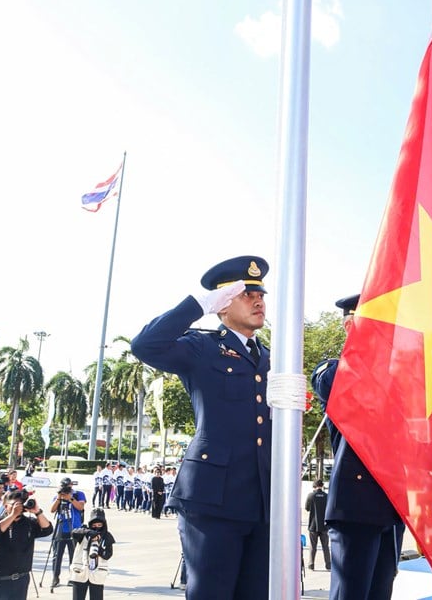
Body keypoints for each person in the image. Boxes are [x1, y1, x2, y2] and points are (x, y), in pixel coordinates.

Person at [131, 255, 272, 599]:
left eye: (261, 295)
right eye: (246, 294)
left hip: (263, 500)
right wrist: (200, 305)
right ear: (223, 305)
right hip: (213, 498)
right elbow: (144, 345)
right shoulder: (202, 347)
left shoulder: (271, 357)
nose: (258, 301)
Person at [311, 294, 404, 600]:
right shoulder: (332, 370)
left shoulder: (395, 375)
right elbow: (340, 385)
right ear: (351, 325)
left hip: (390, 506)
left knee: (380, 592)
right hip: (356, 503)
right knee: (351, 594)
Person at [0, 490, 53, 599]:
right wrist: (13, 515)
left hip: (21, 579)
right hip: (0, 580)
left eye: (20, 505)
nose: (17, 508)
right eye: (14, 505)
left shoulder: (29, 523)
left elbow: (48, 529)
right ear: (5, 505)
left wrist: (38, 512)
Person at [70, 508, 115, 600]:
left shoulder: (107, 536)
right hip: (80, 572)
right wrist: (89, 533)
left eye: (99, 525)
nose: (97, 527)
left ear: (104, 524)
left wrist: (98, 549)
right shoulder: (84, 532)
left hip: (97, 574)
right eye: (94, 525)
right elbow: (73, 533)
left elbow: (108, 555)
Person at [50, 477, 87, 588]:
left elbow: (80, 507)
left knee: (74, 555)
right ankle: (55, 577)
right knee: (57, 555)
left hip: (75, 529)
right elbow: (52, 510)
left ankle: (73, 577)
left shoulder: (78, 494)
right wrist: (58, 498)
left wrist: (70, 498)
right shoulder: (58, 495)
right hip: (61, 528)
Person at [304, 479, 330, 571]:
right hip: (324, 525)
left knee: (312, 546)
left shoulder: (311, 496)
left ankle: (311, 564)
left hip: (313, 525)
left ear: (314, 486)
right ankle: (328, 565)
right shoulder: (327, 496)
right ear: (322, 486)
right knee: (325, 546)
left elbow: (307, 508)